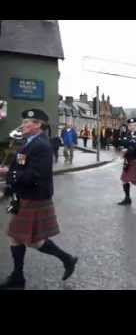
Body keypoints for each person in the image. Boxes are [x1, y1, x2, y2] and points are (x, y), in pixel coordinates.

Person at [0, 109, 78, 289]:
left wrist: (7, 174)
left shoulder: (42, 146)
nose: (23, 125)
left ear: (38, 125)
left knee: (23, 238)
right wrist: (9, 185)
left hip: (35, 198)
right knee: (20, 237)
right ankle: (19, 276)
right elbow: (20, 167)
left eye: (27, 123)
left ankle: (65, 260)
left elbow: (34, 175)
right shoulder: (27, 143)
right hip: (24, 196)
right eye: (23, 122)